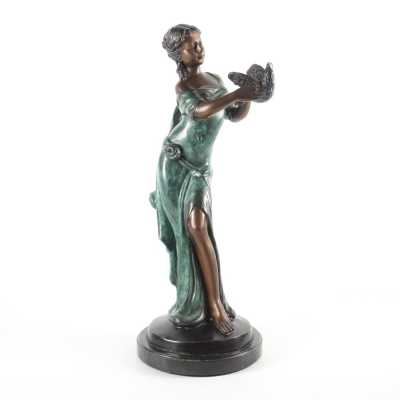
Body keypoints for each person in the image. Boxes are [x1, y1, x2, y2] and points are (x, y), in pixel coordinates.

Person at [150, 24, 257, 335]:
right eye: (191, 45)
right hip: (176, 165)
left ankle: (215, 302)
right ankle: (208, 305)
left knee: (198, 227)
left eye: (199, 42)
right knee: (193, 229)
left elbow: (233, 115)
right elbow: (199, 111)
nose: (198, 49)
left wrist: (248, 96)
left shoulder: (215, 80)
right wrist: (238, 94)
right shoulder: (183, 88)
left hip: (199, 169)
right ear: (178, 54)